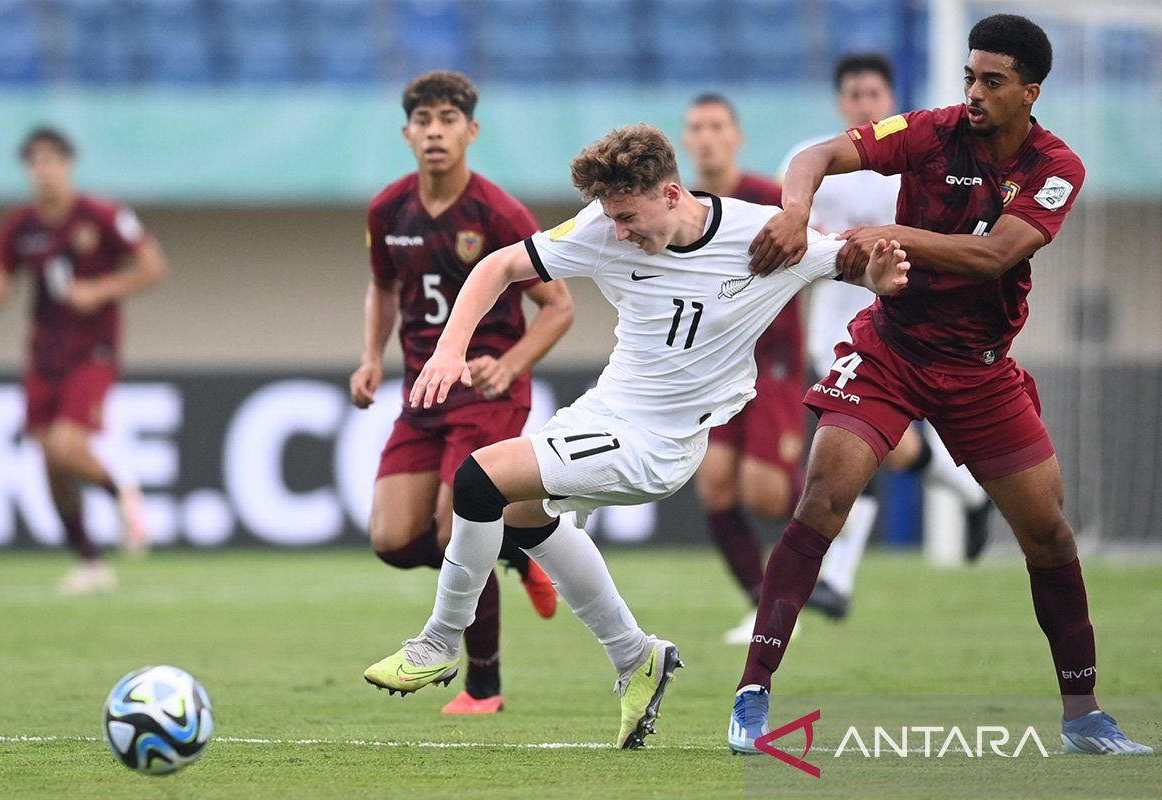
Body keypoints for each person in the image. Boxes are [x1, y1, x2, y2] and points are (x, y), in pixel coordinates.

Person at [363, 124, 909, 749]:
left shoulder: (761, 237)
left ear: (672, 194)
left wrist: (877, 278)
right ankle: (635, 658)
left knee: (478, 479)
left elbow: (843, 259)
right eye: (611, 218)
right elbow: (501, 264)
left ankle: (438, 642)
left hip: (659, 445)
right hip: (603, 413)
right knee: (519, 516)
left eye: (627, 216)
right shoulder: (601, 227)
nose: (618, 232)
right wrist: (449, 349)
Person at [730, 15, 1152, 756]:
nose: (975, 93)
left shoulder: (1058, 167)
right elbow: (822, 153)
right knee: (824, 498)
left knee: (1050, 534)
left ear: (1031, 91)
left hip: (981, 369)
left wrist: (892, 240)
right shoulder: (931, 130)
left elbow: (994, 256)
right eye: (969, 77)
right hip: (892, 348)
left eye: (993, 81)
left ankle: (1084, 715)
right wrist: (797, 211)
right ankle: (753, 696)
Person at [351, 71, 574, 715]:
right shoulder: (387, 210)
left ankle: (483, 686)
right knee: (393, 541)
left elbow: (558, 307)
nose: (435, 132)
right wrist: (370, 357)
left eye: (448, 120)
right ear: (407, 133)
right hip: (424, 394)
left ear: (471, 131)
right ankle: (513, 549)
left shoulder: (499, 214)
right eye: (423, 121)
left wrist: (512, 363)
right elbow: (384, 289)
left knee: (455, 530)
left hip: (486, 394)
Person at [781, 54, 992, 622]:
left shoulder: (919, 164)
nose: (863, 103)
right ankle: (969, 492)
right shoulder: (813, 163)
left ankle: (840, 580)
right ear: (840, 102)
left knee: (865, 445)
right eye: (854, 94)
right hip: (830, 333)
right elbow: (789, 233)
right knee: (870, 447)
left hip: (899, 329)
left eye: (873, 93)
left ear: (890, 97)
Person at [0, 128, 165, 595]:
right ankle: (89, 560)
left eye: (53, 161)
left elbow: (152, 265)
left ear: (68, 165)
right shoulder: (20, 225)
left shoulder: (101, 215)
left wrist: (100, 290)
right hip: (43, 353)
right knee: (50, 460)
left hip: (92, 351)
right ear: (28, 170)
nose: (45, 170)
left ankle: (121, 493)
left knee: (66, 444)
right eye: (36, 163)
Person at [681, 93, 807, 644]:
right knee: (714, 485)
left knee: (763, 493)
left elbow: (814, 260)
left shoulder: (769, 199)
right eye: (696, 128)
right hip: (716, 364)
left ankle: (832, 521)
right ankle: (766, 609)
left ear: (737, 136)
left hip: (773, 359)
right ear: (686, 140)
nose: (706, 136)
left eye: (716, 126)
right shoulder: (681, 204)